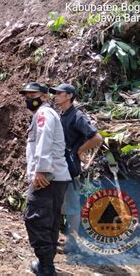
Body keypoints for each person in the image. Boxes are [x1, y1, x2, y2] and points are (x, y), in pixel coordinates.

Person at [19, 82, 71, 276]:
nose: (28, 99)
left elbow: (44, 140)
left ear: (44, 96)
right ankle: (46, 264)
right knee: (49, 221)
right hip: (57, 177)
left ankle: (46, 267)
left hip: (47, 177)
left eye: (32, 94)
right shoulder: (43, 114)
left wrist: (41, 170)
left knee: (35, 218)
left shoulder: (43, 114)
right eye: (26, 95)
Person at [50, 84, 102, 248]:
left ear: (69, 96)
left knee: (72, 207)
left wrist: (80, 150)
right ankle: (59, 237)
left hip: (70, 167)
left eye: (59, 93)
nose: (56, 95)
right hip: (58, 166)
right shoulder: (62, 115)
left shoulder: (77, 116)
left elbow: (97, 138)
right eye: (55, 93)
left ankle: (72, 242)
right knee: (57, 204)